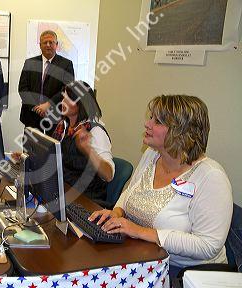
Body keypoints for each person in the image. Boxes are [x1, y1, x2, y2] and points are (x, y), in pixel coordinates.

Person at [89, 95, 233, 278]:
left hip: (184, 273)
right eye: (151, 117)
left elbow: (208, 246)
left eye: (157, 121)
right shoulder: (152, 155)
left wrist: (141, 232)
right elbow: (130, 192)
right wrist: (117, 213)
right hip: (144, 258)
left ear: (182, 132)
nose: (147, 124)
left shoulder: (211, 177)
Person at [52, 80, 114, 201]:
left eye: (68, 99)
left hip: (86, 200)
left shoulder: (96, 132)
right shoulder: (64, 126)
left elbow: (108, 175)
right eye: (63, 97)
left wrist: (87, 149)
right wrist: (25, 158)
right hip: (65, 190)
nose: (62, 102)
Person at [19, 30, 74, 133]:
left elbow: (67, 89)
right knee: (29, 148)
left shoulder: (66, 64)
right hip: (31, 116)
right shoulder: (30, 63)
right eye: (45, 42)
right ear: (40, 45)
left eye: (51, 42)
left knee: (52, 148)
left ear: (56, 44)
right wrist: (37, 107)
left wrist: (49, 105)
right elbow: (23, 88)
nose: (48, 45)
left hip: (55, 117)